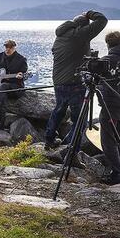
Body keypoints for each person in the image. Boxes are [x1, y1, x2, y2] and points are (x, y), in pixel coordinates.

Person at [44, 10, 108, 150]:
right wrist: (89, 14)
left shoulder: (60, 36)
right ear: (83, 26)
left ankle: (49, 140)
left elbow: (68, 54)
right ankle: (71, 149)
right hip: (76, 83)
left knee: (59, 110)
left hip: (59, 81)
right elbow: (102, 20)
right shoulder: (80, 34)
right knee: (79, 120)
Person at [98, 31, 120, 184]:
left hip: (111, 105)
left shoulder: (109, 59)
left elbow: (96, 73)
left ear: (108, 44)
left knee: (108, 140)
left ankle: (117, 174)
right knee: (119, 139)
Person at [0, 39, 28, 130]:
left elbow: (24, 75)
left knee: (3, 87)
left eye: (10, 47)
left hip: (16, 88)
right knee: (2, 91)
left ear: (14, 48)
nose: (8, 49)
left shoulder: (21, 59)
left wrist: (21, 76)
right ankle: (1, 124)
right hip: (2, 89)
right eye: (6, 47)